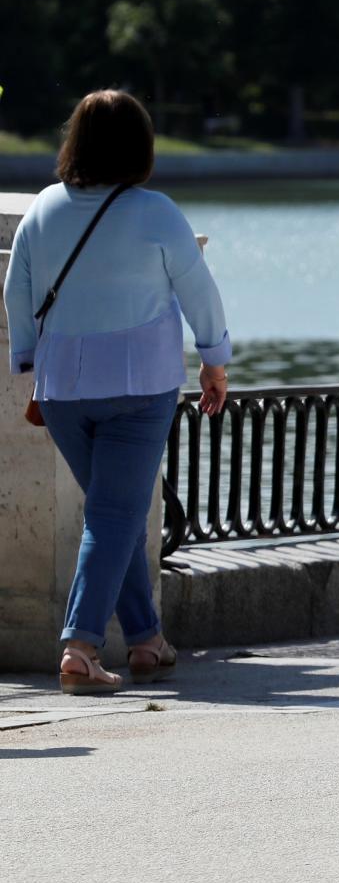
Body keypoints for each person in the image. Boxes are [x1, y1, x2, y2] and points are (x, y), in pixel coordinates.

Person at [3, 90, 231, 694]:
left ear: (73, 140)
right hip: (139, 385)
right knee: (112, 512)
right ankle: (79, 647)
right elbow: (199, 294)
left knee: (116, 510)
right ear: (141, 145)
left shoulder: (43, 209)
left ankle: (146, 639)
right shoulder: (156, 212)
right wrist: (215, 361)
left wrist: (27, 359)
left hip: (62, 389)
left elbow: (15, 292)